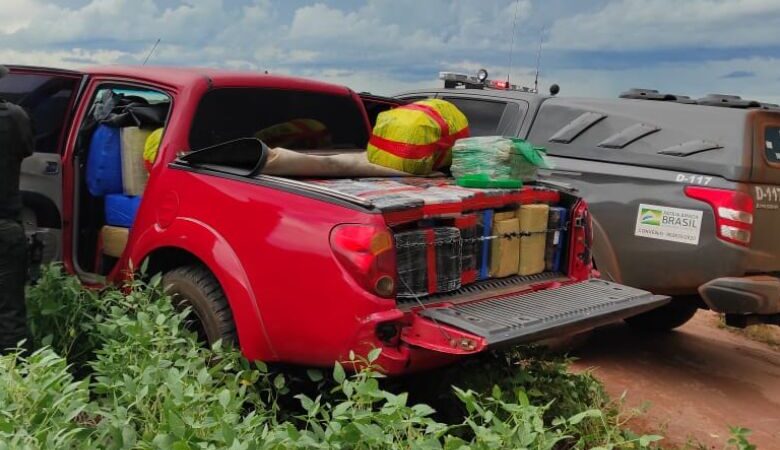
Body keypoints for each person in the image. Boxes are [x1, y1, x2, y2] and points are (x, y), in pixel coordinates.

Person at [0, 65, 34, 354]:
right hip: (5, 227)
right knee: (10, 312)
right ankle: (15, 386)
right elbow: (26, 149)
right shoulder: (16, 117)